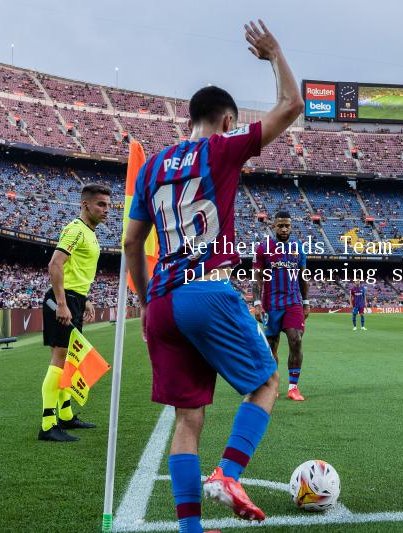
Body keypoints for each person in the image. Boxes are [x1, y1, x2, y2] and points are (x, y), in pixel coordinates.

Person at [124, 20, 303, 530]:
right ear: (226, 120)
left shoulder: (154, 165)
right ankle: (228, 472)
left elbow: (133, 242)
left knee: (188, 417)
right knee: (267, 380)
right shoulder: (221, 149)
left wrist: (142, 300)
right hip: (205, 288)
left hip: (161, 302)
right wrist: (274, 54)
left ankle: (190, 528)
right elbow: (291, 105)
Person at [39, 183, 110, 442]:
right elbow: (55, 264)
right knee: (59, 360)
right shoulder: (75, 230)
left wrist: (85, 299)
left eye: (108, 206)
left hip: (75, 299)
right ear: (85, 204)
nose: (106, 210)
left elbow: (76, 271)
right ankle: (48, 424)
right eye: (101, 204)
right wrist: (61, 302)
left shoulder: (90, 233)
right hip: (64, 300)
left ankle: (66, 415)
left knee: (71, 359)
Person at [252, 212, 309, 401]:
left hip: (293, 302)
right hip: (271, 304)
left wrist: (306, 302)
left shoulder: (298, 248)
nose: (284, 229)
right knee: (271, 346)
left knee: (296, 340)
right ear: (274, 226)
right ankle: (273, 385)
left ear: (291, 227)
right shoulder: (263, 248)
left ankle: (293, 388)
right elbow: (257, 278)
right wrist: (257, 303)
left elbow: (302, 277)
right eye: (280, 226)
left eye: (287, 226)